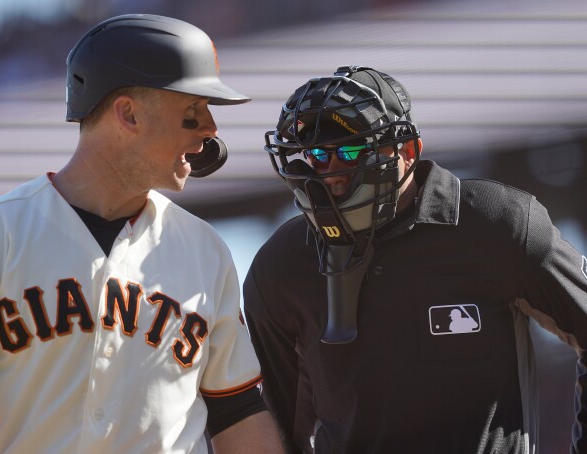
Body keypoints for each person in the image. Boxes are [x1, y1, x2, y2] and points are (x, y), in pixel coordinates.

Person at [0, 14, 283, 453]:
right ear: (127, 113)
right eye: (192, 111)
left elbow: (237, 410)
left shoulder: (205, 251)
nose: (210, 128)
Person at [243, 65, 587, 453]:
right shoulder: (281, 266)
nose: (331, 173)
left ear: (407, 150)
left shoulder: (496, 224)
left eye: (352, 150)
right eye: (318, 155)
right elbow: (271, 425)